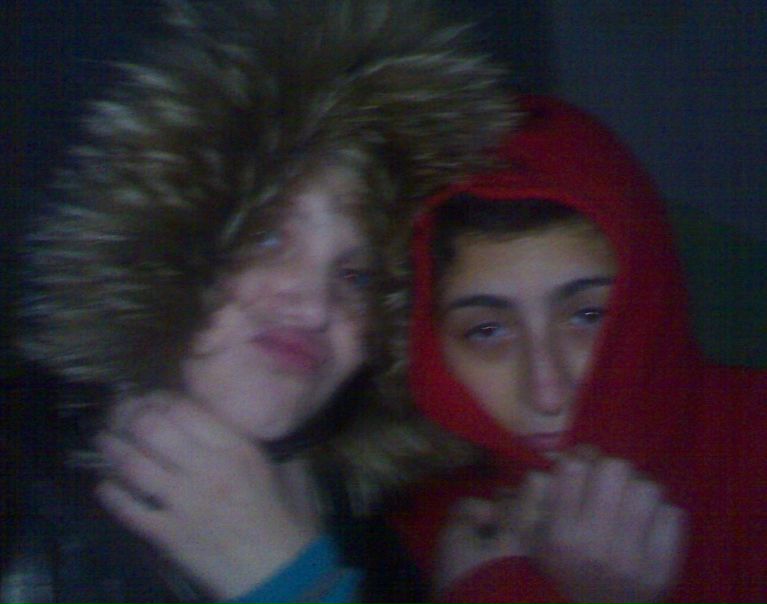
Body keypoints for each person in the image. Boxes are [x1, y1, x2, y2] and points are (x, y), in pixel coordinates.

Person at [2, 1, 515, 602]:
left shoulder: (377, 539)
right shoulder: (18, 489)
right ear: (166, 238)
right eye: (268, 238)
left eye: (355, 276)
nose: (315, 307)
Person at [392, 95, 767, 603]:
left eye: (588, 316)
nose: (546, 392)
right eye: (488, 331)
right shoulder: (419, 525)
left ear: (652, 300)